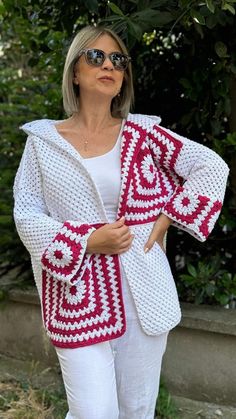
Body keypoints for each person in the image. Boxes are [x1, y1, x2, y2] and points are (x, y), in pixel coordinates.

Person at [13, 25, 229, 419]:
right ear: (75, 72)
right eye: (95, 56)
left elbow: (211, 166)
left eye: (118, 59)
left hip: (144, 295)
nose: (108, 65)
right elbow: (26, 213)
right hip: (77, 299)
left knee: (136, 410)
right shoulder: (44, 142)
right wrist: (86, 240)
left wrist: (169, 216)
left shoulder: (144, 134)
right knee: (93, 412)